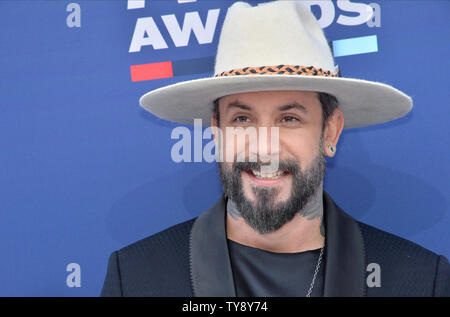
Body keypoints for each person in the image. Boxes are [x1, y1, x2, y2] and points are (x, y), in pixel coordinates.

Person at [100, 0, 450, 296]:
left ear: (331, 130)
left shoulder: (418, 280)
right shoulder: (136, 279)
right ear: (216, 131)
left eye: (289, 119)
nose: (264, 146)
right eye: (242, 119)